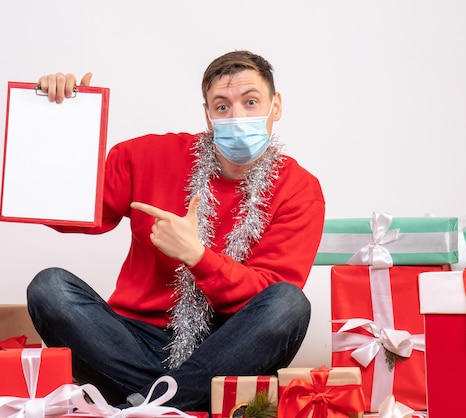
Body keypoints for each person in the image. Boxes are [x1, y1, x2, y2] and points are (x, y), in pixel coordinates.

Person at [27, 50, 325, 411]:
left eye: (250, 102)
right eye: (223, 106)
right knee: (50, 287)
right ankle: (171, 404)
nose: (237, 117)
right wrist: (64, 121)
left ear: (275, 106)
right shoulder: (146, 156)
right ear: (207, 114)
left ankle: (143, 404)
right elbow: (69, 212)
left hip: (227, 347)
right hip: (129, 341)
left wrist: (198, 257)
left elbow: (269, 294)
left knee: (289, 304)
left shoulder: (300, 189)